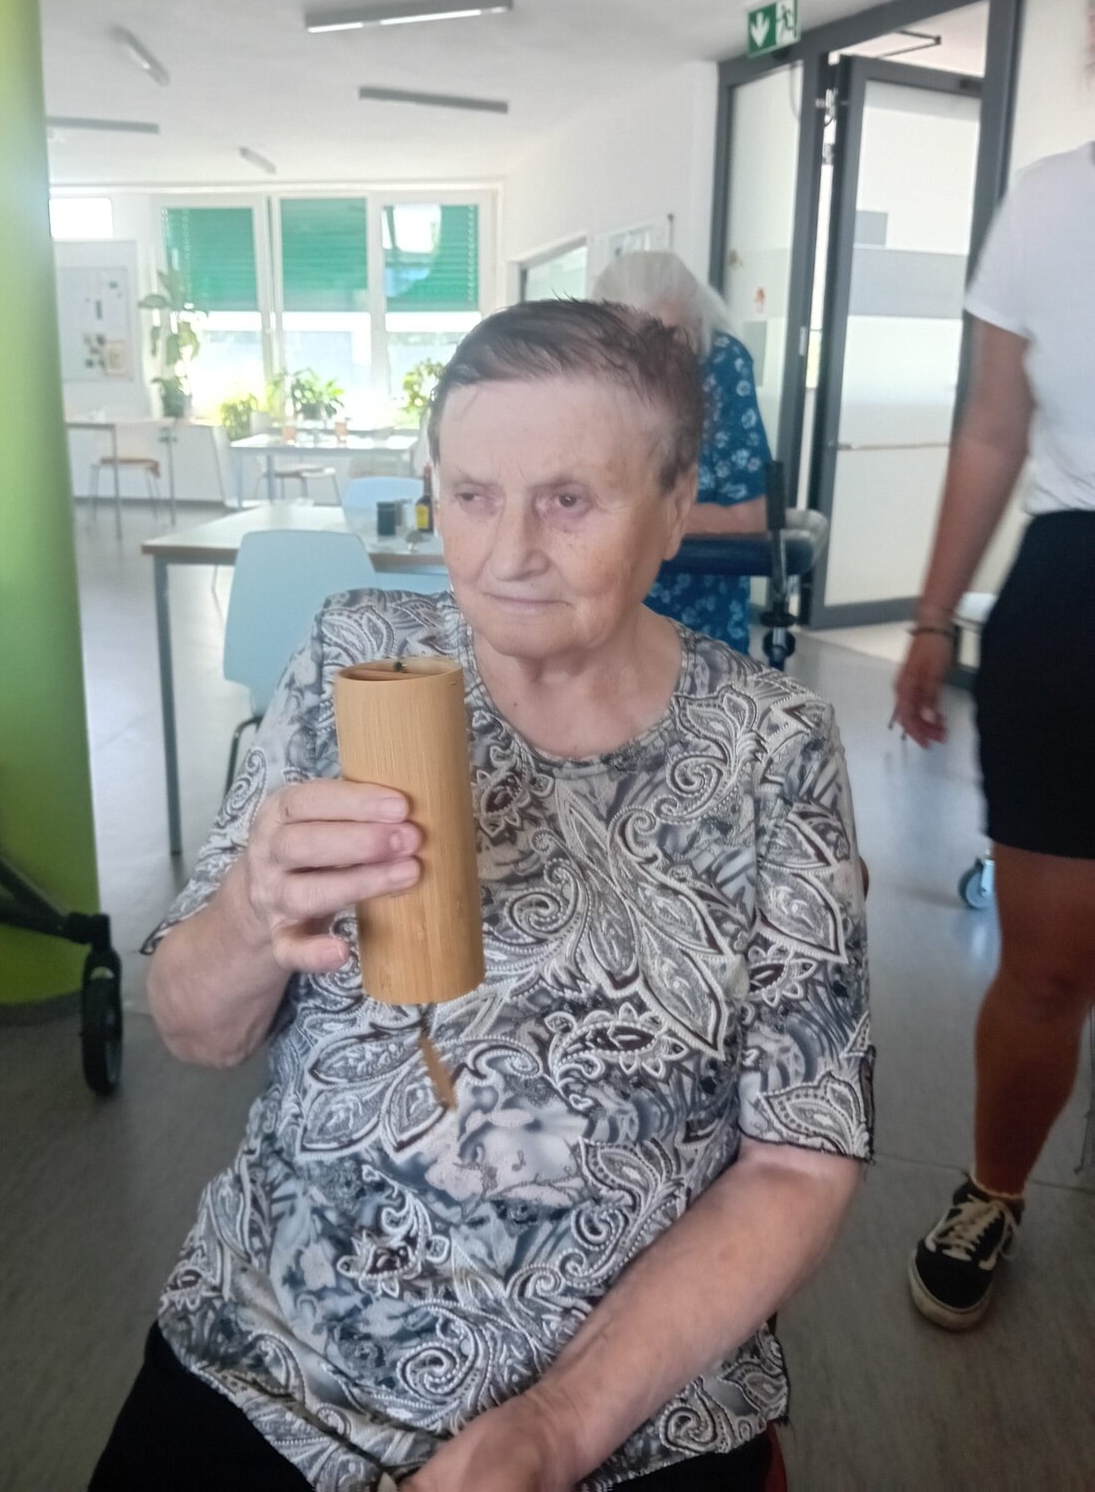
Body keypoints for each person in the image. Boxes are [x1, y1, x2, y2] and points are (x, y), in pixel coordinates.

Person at [93, 301, 872, 1492]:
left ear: (675, 507)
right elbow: (197, 1028)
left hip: (624, 1408)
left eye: (570, 500)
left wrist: (555, 1427)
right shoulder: (355, 660)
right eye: (471, 494)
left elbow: (800, 1161)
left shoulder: (774, 748)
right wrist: (250, 912)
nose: (508, 553)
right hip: (278, 1352)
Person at [895, 143, 1095, 1331]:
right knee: (1051, 963)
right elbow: (991, 427)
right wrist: (932, 617)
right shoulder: (1055, 199)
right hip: (1077, 591)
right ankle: (996, 1187)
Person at [592, 251, 772, 654]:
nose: (652, 360)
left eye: (669, 337)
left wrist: (624, 516)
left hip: (703, 613)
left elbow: (749, 516)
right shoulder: (592, 370)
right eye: (632, 342)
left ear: (695, 325)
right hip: (608, 609)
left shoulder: (722, 365)